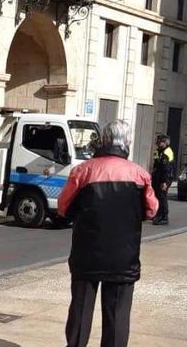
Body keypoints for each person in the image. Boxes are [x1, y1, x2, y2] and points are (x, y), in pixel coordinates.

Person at [57, 120, 158, 347]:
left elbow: (63, 207)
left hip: (86, 254)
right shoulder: (140, 175)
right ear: (127, 143)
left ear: (102, 140)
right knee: (117, 317)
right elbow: (152, 210)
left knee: (80, 313)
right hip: (123, 257)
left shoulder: (82, 171)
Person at [151, 134, 175, 225]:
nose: (157, 143)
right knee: (157, 196)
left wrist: (164, 182)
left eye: (159, 141)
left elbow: (166, 168)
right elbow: (156, 165)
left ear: (164, 142)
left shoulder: (167, 152)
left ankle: (164, 217)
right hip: (158, 177)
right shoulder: (159, 151)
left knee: (162, 197)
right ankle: (158, 214)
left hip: (164, 178)